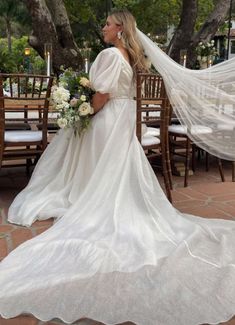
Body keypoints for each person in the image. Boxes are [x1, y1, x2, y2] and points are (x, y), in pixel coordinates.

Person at [0, 8, 235, 325]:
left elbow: (102, 96)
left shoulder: (111, 55)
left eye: (108, 24)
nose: (103, 27)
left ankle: (86, 194)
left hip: (109, 120)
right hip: (124, 120)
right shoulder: (128, 57)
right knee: (116, 166)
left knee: (91, 159)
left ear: (121, 29)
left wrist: (81, 112)